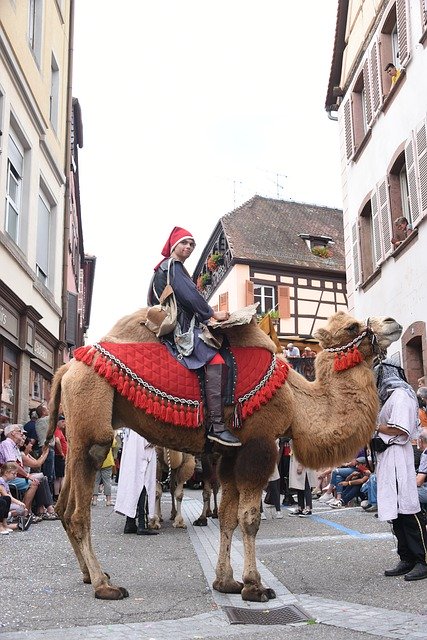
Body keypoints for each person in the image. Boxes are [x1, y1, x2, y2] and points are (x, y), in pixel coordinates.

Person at [147, 226, 240, 447]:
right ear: (174, 245)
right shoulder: (174, 266)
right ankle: (216, 426)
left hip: (180, 323)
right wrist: (211, 313)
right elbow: (190, 296)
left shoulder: (161, 269)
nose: (188, 247)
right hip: (183, 328)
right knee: (216, 360)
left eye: (191, 245)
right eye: (184, 243)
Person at [374, 360, 427, 581]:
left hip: (398, 456)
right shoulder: (388, 399)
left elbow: (401, 428)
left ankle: (422, 559)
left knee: (407, 508)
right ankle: (406, 557)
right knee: (394, 511)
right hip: (386, 458)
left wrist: (374, 425)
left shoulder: (402, 396)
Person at [115, 428, 158, 535]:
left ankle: (130, 522)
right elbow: (149, 442)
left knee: (131, 486)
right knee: (143, 487)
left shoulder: (130, 423)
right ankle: (142, 524)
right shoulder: (142, 422)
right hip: (142, 456)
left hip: (131, 456)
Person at [287, 444, 317, 517]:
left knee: (306, 486)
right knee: (299, 486)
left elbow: (305, 453)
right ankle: (300, 507)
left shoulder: (302, 438)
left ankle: (308, 508)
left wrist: (301, 465)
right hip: (296, 462)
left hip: (303, 465)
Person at [92, 439, 115, 507]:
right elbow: (114, 444)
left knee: (95, 481)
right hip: (107, 461)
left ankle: (94, 500)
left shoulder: (95, 435)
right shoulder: (108, 435)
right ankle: (108, 501)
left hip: (96, 460)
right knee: (107, 482)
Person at [54, 415, 67, 501]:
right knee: (60, 477)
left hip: (59, 456)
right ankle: (60, 495)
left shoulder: (59, 431)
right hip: (59, 457)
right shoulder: (57, 430)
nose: (64, 424)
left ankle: (58, 494)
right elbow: (57, 441)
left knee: (59, 476)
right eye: (63, 422)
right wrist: (61, 452)